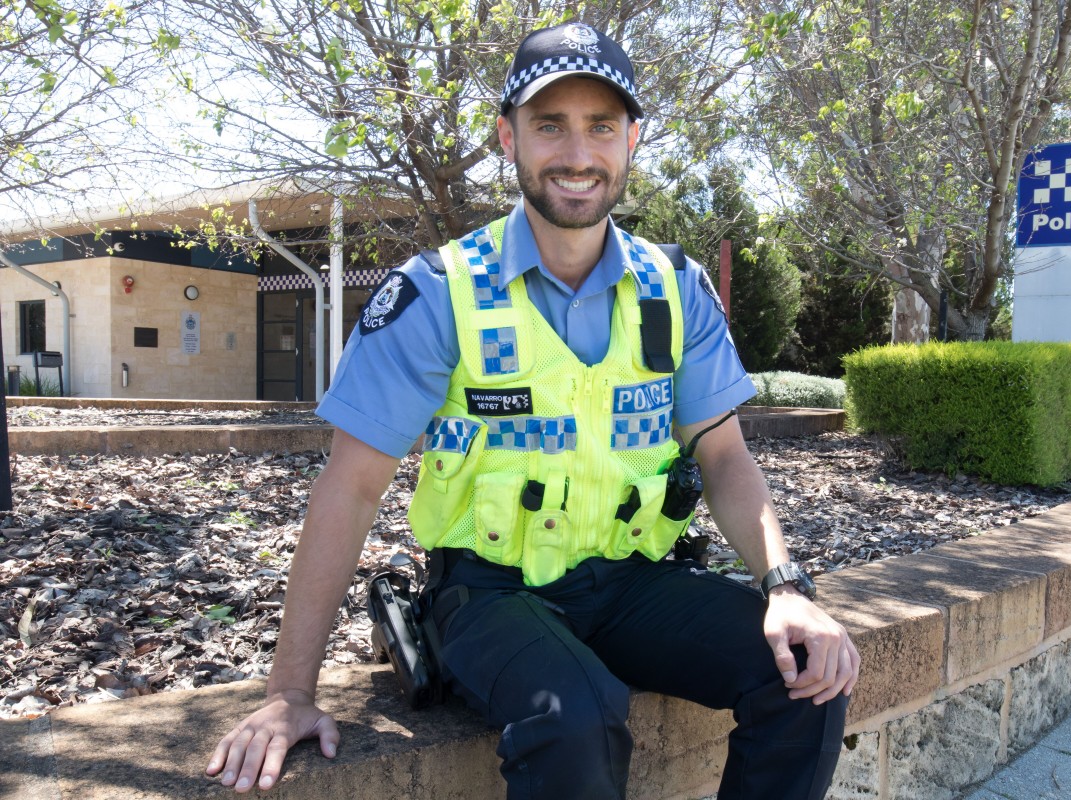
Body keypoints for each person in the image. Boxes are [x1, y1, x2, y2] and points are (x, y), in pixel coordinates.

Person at [206, 22, 860, 799]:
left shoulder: (673, 290)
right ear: (506, 137)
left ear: (632, 140)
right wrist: (289, 692)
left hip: (632, 582)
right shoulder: (438, 293)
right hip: (489, 595)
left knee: (805, 673)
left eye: (601, 126)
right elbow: (349, 489)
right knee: (576, 718)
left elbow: (723, 458)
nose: (578, 153)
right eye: (550, 125)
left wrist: (786, 589)